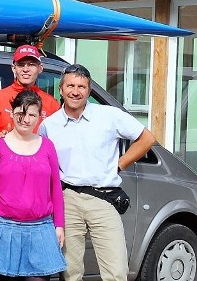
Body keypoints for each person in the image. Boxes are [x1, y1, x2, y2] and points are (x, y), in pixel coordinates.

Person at [38, 64, 156, 281]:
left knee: (116, 271)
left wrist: (120, 165)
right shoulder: (48, 126)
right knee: (70, 272)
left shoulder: (109, 115)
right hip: (67, 200)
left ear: (89, 90)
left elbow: (146, 138)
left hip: (103, 198)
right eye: (71, 85)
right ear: (61, 89)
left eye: (81, 86)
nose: (76, 91)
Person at [0, 90, 66, 280]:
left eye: (32, 115)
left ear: (40, 117)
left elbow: (55, 188)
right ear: (12, 113)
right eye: (20, 113)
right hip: (4, 230)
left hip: (40, 229)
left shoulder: (48, 146)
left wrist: (59, 225)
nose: (25, 119)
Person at [0, 44, 60, 137]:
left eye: (31, 64)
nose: (26, 69)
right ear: (13, 68)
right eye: (21, 65)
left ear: (40, 68)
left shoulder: (52, 104)